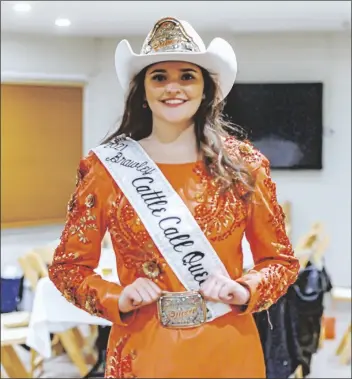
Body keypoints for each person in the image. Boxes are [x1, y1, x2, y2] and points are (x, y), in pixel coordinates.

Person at [48, 17, 300, 378]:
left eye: (187, 76)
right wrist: (116, 297)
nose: (173, 88)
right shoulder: (106, 168)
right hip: (143, 351)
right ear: (143, 90)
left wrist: (243, 289)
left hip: (227, 348)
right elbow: (67, 268)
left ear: (206, 88)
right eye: (159, 76)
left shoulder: (245, 166)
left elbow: (281, 262)